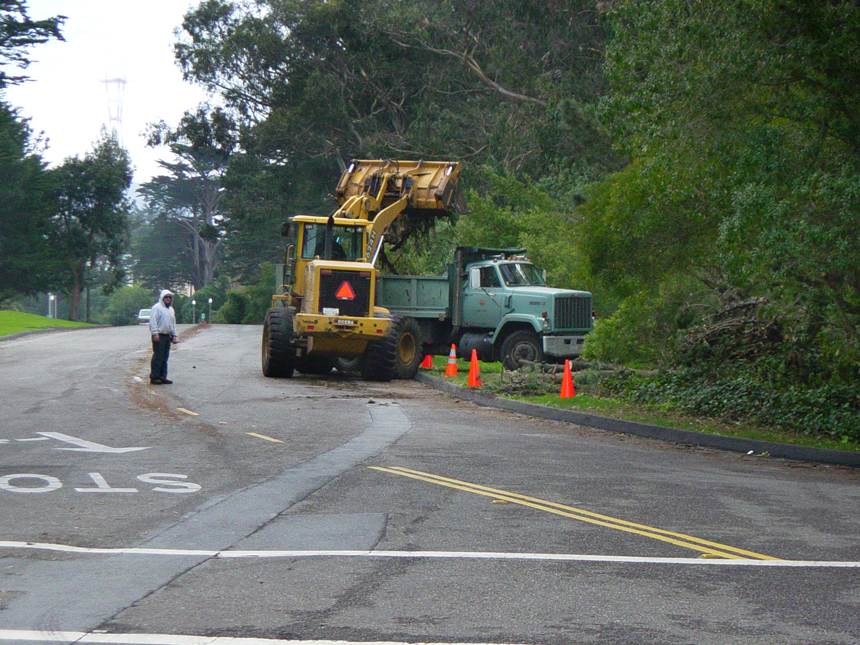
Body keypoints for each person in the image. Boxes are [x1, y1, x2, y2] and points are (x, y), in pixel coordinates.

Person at [149, 289, 178, 384]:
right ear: (162, 298)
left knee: (165, 357)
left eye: (170, 297)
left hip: (167, 336)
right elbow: (153, 322)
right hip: (159, 335)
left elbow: (172, 324)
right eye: (166, 297)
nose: (168, 299)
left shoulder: (170, 310)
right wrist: (155, 333)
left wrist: (174, 335)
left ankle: (162, 376)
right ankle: (154, 377)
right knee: (158, 357)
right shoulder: (156, 308)